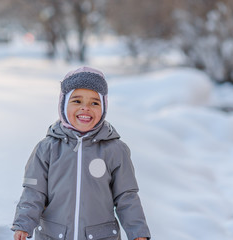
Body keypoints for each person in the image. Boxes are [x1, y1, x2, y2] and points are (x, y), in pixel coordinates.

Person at [12, 66, 151, 240]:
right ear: (63, 105)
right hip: (55, 235)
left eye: (94, 103)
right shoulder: (46, 149)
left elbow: (126, 196)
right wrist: (23, 224)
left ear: (104, 107)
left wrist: (138, 233)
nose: (85, 108)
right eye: (77, 101)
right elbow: (33, 192)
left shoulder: (115, 150)